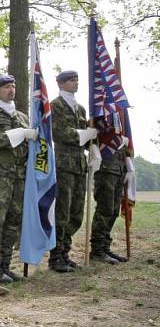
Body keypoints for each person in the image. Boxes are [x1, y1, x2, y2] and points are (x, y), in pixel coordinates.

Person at [0, 75, 36, 284]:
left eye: (12, 85)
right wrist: (22, 133)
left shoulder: (22, 116)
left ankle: (5, 265)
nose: (10, 89)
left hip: (20, 174)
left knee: (14, 220)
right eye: (5, 87)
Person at [50, 70, 100, 272]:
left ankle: (65, 252)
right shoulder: (55, 105)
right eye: (71, 80)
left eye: (77, 79)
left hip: (79, 164)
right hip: (63, 163)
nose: (76, 82)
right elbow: (58, 132)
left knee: (76, 213)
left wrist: (93, 142)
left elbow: (86, 138)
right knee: (62, 212)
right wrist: (83, 134)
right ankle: (56, 257)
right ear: (61, 84)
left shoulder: (79, 108)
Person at [89, 119, 131, 263]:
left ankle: (105, 248)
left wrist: (128, 165)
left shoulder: (118, 116)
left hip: (118, 169)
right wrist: (120, 139)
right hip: (105, 169)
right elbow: (97, 137)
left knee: (113, 211)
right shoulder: (100, 113)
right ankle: (97, 250)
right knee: (104, 210)